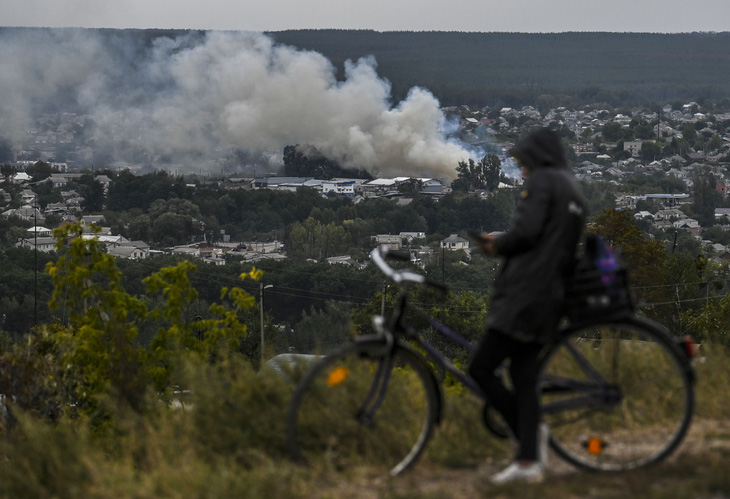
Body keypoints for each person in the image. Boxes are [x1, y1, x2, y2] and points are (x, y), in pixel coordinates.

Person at [468, 127, 586, 485]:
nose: (521, 170)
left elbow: (527, 232)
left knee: (482, 368)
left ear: (537, 158)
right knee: (523, 377)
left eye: (524, 163)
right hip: (551, 295)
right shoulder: (571, 186)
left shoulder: (542, 183)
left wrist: (496, 245)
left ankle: (528, 438)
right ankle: (528, 460)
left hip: (526, 294)